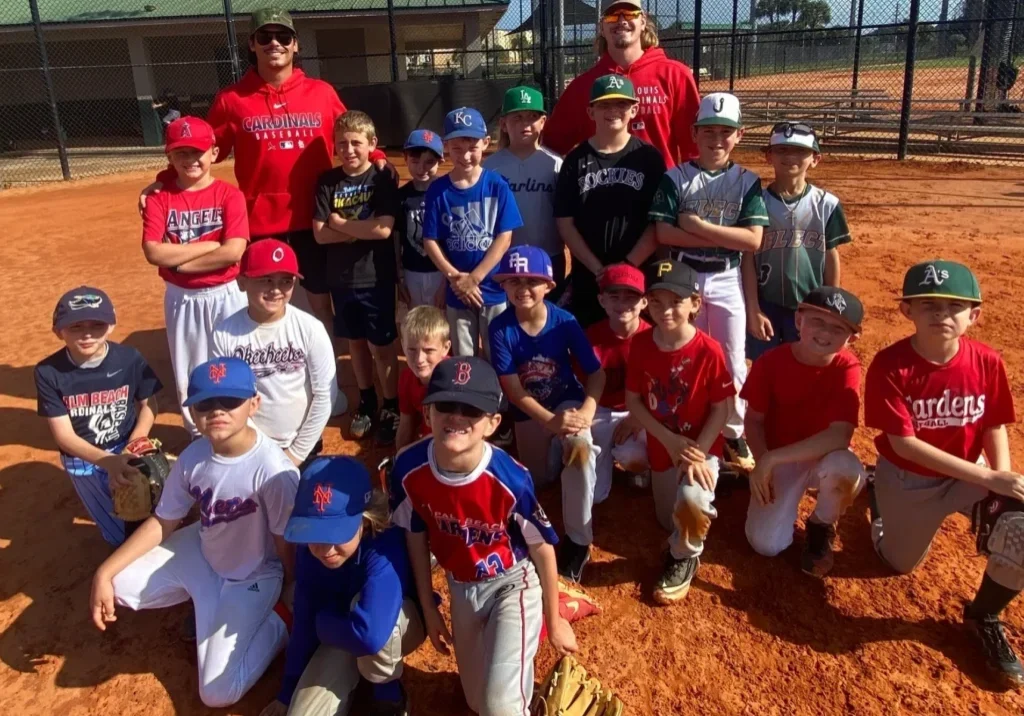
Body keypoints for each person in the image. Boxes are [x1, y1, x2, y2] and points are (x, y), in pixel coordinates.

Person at [139, 7, 388, 332]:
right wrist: (165, 180)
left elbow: (350, 134)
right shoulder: (232, 99)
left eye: (283, 36)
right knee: (262, 301)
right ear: (252, 44)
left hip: (315, 219)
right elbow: (201, 149)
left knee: (320, 303)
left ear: (296, 44)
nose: (275, 43)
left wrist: (379, 156)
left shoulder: (321, 93)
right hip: (258, 221)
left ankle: (328, 378)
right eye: (265, 37)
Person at [88, 357, 299, 708]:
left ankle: (280, 620)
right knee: (119, 583)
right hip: (204, 553)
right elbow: (163, 521)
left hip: (253, 576)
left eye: (230, 400)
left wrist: (293, 590)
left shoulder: (273, 471)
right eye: (205, 403)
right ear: (193, 412)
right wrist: (103, 571)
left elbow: (284, 541)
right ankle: (203, 601)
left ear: (254, 403)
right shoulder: (193, 456)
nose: (218, 411)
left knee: (217, 693)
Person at [865, 260, 1024, 687]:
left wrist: (1000, 485)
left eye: (955, 305)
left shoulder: (987, 361)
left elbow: (993, 424)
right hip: (907, 477)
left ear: (975, 314)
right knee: (897, 564)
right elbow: (904, 445)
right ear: (907, 312)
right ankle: (877, 500)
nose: (941, 314)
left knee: (1020, 528)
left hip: (968, 474)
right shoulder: (890, 365)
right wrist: (992, 481)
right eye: (929, 304)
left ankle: (983, 615)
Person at [390, 356, 578, 714]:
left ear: (492, 423)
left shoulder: (511, 479)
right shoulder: (408, 468)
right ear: (427, 412)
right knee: (477, 702)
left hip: (512, 583)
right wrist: (430, 610)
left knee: (500, 707)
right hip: (461, 585)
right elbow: (414, 535)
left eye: (471, 410)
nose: (456, 417)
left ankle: (549, 610)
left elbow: (542, 549)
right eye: (446, 404)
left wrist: (553, 623)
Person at [649, 92, 768, 473]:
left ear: (739, 135)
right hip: (683, 276)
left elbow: (752, 241)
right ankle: (693, 423)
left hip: (727, 277)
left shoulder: (747, 180)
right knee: (686, 355)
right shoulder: (676, 177)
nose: (717, 138)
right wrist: (724, 234)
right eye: (709, 131)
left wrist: (699, 226)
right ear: (694, 133)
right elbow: (664, 234)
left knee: (733, 360)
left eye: (726, 131)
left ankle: (733, 430)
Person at [260, 457, 423, 716]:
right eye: (314, 533)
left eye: (337, 532)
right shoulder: (308, 551)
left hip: (393, 623)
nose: (325, 549)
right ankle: (355, 679)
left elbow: (370, 635)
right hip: (344, 630)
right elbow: (303, 620)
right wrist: (286, 693)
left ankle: (388, 696)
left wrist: (322, 623)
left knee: (379, 630)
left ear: (365, 519)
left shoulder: (383, 547)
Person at [488, 246, 606, 583]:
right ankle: (560, 450)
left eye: (532, 281)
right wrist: (549, 422)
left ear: (548, 286)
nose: (522, 288)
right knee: (540, 479)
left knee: (579, 450)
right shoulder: (500, 328)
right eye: (513, 281)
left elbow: (595, 373)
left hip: (566, 402)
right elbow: (513, 389)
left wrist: (585, 410)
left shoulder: (564, 321)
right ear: (504, 286)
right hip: (532, 412)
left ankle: (579, 541)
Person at [624, 259, 734, 604]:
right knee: (664, 518)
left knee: (689, 506)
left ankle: (684, 556)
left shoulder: (709, 350)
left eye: (676, 301)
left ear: (695, 305)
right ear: (646, 303)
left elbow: (722, 408)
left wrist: (697, 451)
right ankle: (723, 482)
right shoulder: (642, 344)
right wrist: (670, 441)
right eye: (656, 301)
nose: (665, 309)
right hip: (664, 444)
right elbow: (635, 401)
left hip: (701, 446)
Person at [742, 286, 865, 576]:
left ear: (852, 338)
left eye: (837, 328)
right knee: (765, 545)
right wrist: (764, 460)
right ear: (798, 321)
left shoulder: (847, 365)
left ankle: (822, 523)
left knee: (846, 470)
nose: (824, 333)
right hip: (781, 457)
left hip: (821, 456)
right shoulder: (769, 362)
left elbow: (840, 436)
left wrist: (770, 459)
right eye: (817, 321)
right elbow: (754, 421)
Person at [141, 115, 249, 436]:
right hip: (182, 299)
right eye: (181, 153)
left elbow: (233, 251)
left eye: (197, 151)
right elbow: (154, 252)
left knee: (235, 360)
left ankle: (241, 426)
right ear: (169, 157)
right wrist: (210, 245)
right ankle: (198, 435)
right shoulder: (160, 198)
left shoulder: (229, 195)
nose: (190, 160)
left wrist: (184, 264)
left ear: (214, 153)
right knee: (189, 367)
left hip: (226, 293)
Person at [35, 287, 162, 546]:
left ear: (112, 324)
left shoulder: (129, 359)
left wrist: (134, 443)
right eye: (75, 326)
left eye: (97, 324)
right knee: (119, 535)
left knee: (152, 511)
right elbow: (64, 436)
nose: (88, 334)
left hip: (127, 447)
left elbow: (150, 406)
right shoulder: (48, 372)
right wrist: (109, 462)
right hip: (84, 460)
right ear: (58, 330)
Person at [211, 240, 340, 470]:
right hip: (249, 447)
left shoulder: (310, 328)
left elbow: (324, 395)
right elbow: (227, 397)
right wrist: (259, 450)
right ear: (242, 282)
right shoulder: (224, 334)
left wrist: (294, 455)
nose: (276, 289)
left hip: (303, 448)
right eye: (266, 280)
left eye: (286, 281)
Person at [313, 110, 401, 444]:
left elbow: (382, 229)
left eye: (356, 143)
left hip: (376, 277)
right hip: (342, 278)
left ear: (372, 144)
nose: (348, 150)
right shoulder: (327, 181)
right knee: (357, 344)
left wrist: (340, 224)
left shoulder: (381, 179)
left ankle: (391, 404)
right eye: (341, 144)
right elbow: (319, 236)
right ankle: (367, 401)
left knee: (382, 346)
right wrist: (358, 230)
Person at [554, 75, 666, 328]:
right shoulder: (575, 160)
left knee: (638, 343)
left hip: (637, 275)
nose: (613, 111)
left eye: (621, 105)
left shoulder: (648, 158)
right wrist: (598, 270)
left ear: (634, 110)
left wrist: (627, 265)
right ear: (590, 111)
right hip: (590, 277)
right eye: (604, 105)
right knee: (591, 347)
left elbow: (657, 220)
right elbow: (565, 223)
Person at [542, 0, 699, 168]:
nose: (621, 20)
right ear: (601, 26)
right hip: (601, 193)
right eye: (612, 16)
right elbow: (550, 146)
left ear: (643, 21)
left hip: (658, 191)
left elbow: (695, 149)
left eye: (630, 13)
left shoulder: (675, 75)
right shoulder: (582, 86)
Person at [742, 123, 852, 361]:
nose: (790, 156)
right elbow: (747, 258)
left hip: (809, 305)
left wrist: (829, 306)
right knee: (765, 364)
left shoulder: (827, 204)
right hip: (765, 303)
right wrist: (753, 308)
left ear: (815, 158)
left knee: (805, 363)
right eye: (781, 150)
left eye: (800, 151)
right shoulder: (755, 201)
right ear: (769, 156)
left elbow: (831, 255)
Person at [423, 106, 524, 359]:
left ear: (486, 143)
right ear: (446, 147)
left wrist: (474, 278)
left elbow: (505, 237)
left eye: (472, 147)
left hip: (491, 288)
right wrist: (455, 278)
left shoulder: (496, 185)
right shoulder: (438, 190)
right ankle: (467, 400)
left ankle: (497, 399)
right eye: (457, 148)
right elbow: (430, 240)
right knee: (464, 356)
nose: (465, 155)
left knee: (496, 353)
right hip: (457, 290)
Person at [484, 86, 567, 302]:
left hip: (549, 256)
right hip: (504, 259)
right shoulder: (490, 167)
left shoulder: (556, 164)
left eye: (532, 117)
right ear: (503, 124)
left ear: (543, 122)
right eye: (517, 118)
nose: (525, 124)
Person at [586, 263, 651, 502]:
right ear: (601, 300)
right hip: (602, 411)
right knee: (595, 496)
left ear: (644, 302)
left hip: (641, 412)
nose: (622, 304)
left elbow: (661, 391)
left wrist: (637, 418)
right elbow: (583, 385)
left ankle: (640, 468)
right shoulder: (591, 336)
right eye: (614, 296)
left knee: (635, 456)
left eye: (631, 297)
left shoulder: (654, 338)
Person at [396, 129, 445, 309]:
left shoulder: (446, 192)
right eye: (415, 161)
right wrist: (399, 276)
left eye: (429, 162)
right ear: (405, 159)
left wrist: (446, 280)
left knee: (441, 326)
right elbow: (397, 236)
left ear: (440, 161)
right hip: (411, 272)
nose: (421, 169)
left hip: (441, 271)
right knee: (413, 325)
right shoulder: (402, 196)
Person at [396, 305, 451, 451]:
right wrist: (399, 459)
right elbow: (405, 424)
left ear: (445, 348)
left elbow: (457, 436)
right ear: (402, 345)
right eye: (412, 350)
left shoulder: (454, 381)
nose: (419, 359)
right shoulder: (406, 378)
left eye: (429, 350)